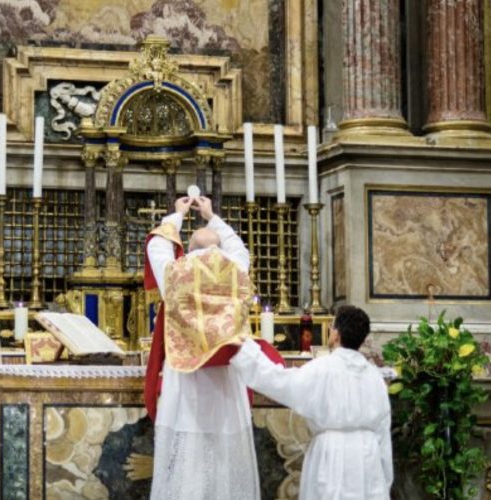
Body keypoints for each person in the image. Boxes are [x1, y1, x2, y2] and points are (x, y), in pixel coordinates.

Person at [144, 196, 283, 500]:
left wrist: (177, 215)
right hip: (225, 382)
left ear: (188, 248)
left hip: (187, 378)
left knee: (187, 459)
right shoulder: (236, 268)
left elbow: (157, 245)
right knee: (223, 458)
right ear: (219, 248)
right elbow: (239, 248)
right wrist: (211, 216)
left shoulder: (177, 270)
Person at [230, 305, 393, 500]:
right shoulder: (375, 377)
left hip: (331, 458)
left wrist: (244, 350)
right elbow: (383, 435)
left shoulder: (322, 368)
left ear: (336, 334)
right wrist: (384, 481)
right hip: (368, 460)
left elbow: (279, 382)